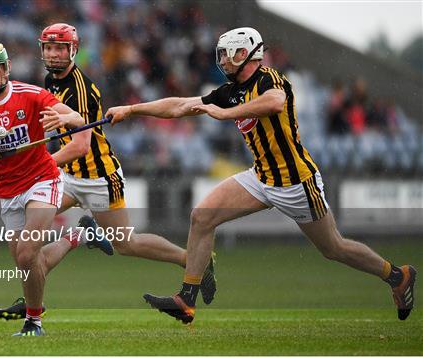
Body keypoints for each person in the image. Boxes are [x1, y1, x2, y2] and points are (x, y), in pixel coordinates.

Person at [106, 27, 417, 324]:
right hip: (261, 178)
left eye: (228, 55)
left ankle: (397, 276)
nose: (223, 61)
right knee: (202, 217)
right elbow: (180, 106)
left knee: (333, 248)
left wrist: (224, 114)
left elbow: (275, 103)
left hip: (296, 182)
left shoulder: (269, 80)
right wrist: (132, 110)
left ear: (246, 53)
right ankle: (187, 299)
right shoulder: (231, 91)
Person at [0, 23, 217, 320]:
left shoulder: (80, 89)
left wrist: (35, 167)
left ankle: (194, 262)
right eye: (48, 47)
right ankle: (38, 291)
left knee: (126, 243)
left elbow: (81, 146)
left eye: (60, 48)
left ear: (73, 50)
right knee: (27, 237)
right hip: (66, 176)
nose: (53, 53)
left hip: (99, 177)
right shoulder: (50, 81)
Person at [0, 42, 109, 336]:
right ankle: (79, 235)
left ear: (6, 68)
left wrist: (65, 117)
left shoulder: (31, 95)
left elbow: (78, 118)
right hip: (8, 190)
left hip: (43, 179)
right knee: (30, 261)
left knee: (26, 251)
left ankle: (34, 321)